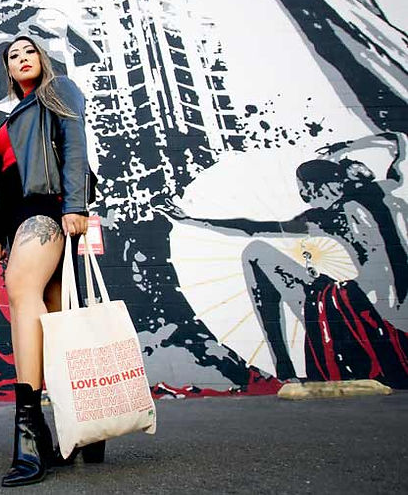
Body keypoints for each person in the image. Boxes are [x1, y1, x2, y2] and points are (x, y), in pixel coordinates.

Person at [161, 133, 408, 388]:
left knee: (255, 253)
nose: (303, 194)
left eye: (303, 188)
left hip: (366, 311)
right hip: (398, 309)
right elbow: (398, 141)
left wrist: (191, 220)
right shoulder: (384, 190)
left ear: (313, 188)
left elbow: (251, 229)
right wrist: (347, 146)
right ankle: (284, 366)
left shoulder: (326, 217)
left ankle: (283, 366)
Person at [0, 36, 102, 487]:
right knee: (53, 317)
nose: (21, 59)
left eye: (28, 51)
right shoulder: (8, 113)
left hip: (50, 205)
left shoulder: (60, 90)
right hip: (18, 216)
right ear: (7, 70)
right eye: (12, 56)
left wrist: (76, 204)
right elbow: (2, 177)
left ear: (43, 58)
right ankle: (84, 429)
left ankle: (29, 434)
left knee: (20, 290)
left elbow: (75, 146)